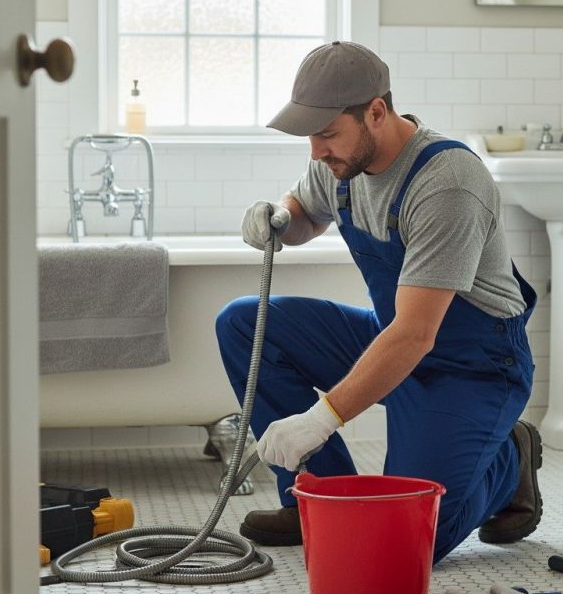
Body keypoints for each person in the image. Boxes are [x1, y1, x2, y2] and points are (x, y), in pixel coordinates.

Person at [215, 41, 540, 563]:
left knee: (408, 541)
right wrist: (280, 217)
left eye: (326, 134)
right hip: (395, 337)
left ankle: (509, 462)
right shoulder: (341, 161)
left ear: (377, 112)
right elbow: (307, 211)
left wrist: (321, 418)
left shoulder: (447, 183)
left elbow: (417, 334)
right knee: (243, 323)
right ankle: (318, 497)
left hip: (471, 365)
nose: (316, 152)